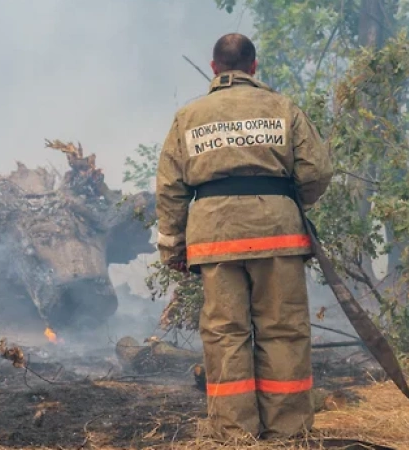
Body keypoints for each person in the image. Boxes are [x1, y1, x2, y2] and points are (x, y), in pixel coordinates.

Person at [154, 33, 333, 441]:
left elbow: (170, 187)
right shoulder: (282, 108)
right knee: (283, 330)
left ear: (215, 69)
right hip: (278, 236)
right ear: (253, 67)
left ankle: (235, 434)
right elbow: (317, 171)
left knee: (224, 333)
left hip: (215, 238)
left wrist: (173, 245)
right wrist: (285, 201)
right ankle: (288, 432)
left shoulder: (189, 117)